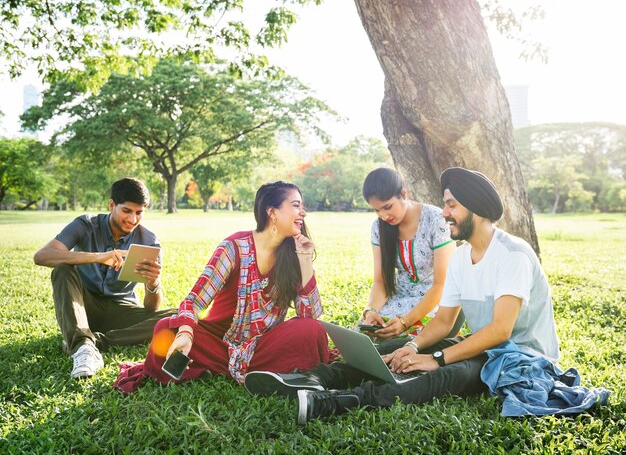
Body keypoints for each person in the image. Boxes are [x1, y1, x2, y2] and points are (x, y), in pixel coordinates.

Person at [245, 167, 561, 424]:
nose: (445, 213)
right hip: (485, 347)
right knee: (391, 351)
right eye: (445, 204)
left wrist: (435, 358)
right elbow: (443, 321)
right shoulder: (463, 259)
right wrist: (410, 346)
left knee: (444, 375)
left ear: (476, 208)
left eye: (452, 205)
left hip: (518, 357)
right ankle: (312, 379)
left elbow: (500, 331)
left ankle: (332, 403)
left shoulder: (513, 254)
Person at [113, 181, 332, 393]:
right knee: (165, 329)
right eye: (296, 205)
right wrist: (186, 333)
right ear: (272, 212)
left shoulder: (293, 253)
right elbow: (195, 300)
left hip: (264, 345)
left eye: (302, 207)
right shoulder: (234, 247)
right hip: (219, 342)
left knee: (313, 330)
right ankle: (260, 372)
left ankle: (225, 370)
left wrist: (304, 258)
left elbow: (310, 315)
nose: (303, 213)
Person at [34, 177, 176, 379]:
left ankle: (94, 342)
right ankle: (83, 347)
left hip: (122, 313)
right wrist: (99, 257)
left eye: (139, 213)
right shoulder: (86, 225)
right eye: (126, 211)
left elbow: (151, 310)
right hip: (83, 307)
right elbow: (42, 256)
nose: (132, 220)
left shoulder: (149, 242)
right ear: (111, 205)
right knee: (62, 270)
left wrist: (153, 284)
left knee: (180, 316)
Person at [359, 167, 460, 342]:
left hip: (434, 301)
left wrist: (405, 322)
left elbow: (441, 285)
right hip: (399, 298)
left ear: (403, 193)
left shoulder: (436, 220)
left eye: (387, 207)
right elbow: (380, 281)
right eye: (377, 210)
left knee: (401, 346)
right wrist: (371, 311)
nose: (383, 216)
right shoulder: (379, 228)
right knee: (364, 339)